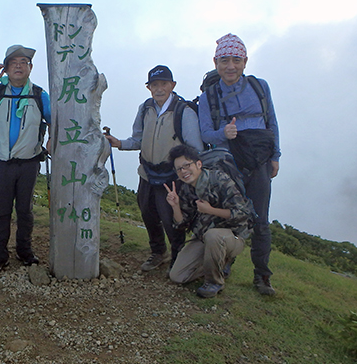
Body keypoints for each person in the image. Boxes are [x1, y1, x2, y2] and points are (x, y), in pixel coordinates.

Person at [198, 33, 280, 295]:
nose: (230, 66)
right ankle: (222, 266)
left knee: (260, 220)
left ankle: (262, 276)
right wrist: (224, 133)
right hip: (226, 165)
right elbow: (205, 134)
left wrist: (276, 156)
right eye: (224, 60)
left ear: (245, 61)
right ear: (215, 62)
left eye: (235, 60)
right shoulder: (207, 97)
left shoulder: (260, 87)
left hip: (259, 161)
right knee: (224, 218)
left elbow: (272, 122)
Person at [104, 65, 203, 272]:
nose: (159, 89)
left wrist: (188, 176)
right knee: (148, 213)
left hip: (172, 177)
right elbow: (138, 139)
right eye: (154, 85)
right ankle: (158, 252)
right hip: (147, 173)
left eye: (164, 84)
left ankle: (178, 257)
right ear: (149, 87)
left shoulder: (183, 111)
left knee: (170, 219)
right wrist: (119, 143)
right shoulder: (146, 108)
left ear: (172, 85)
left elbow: (195, 149)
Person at [0, 45, 51, 274]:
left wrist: (52, 138)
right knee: (0, 211)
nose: (18, 66)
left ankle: (25, 251)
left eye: (23, 62)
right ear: (6, 67)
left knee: (25, 211)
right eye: (13, 63)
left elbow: (55, 118)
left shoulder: (39, 95)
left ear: (30, 68)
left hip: (29, 162)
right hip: (1, 163)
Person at [165, 144, 255, 298]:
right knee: (177, 276)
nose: (183, 171)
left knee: (213, 236)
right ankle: (218, 263)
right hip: (203, 238)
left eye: (187, 165)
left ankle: (214, 282)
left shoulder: (219, 179)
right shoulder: (186, 189)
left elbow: (242, 213)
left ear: (198, 164)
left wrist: (210, 210)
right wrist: (175, 206)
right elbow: (182, 224)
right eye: (179, 169)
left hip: (232, 237)